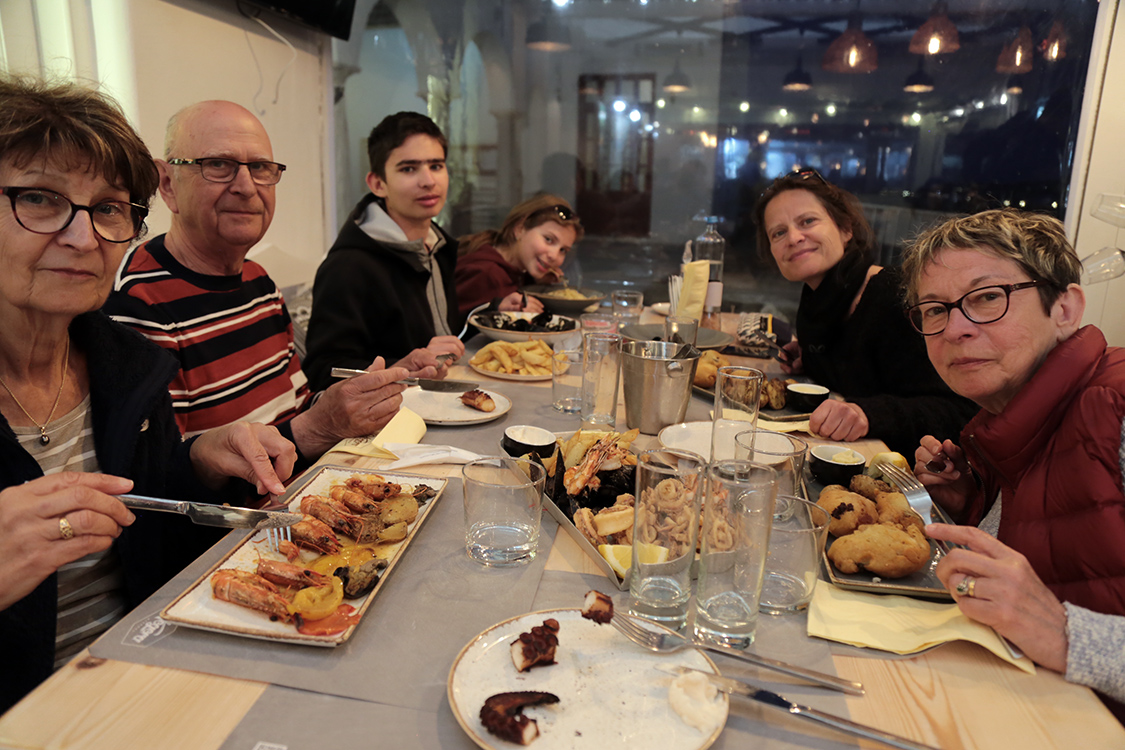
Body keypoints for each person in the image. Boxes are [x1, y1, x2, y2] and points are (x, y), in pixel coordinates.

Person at [0, 77, 297, 713]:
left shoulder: (126, 370)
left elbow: (159, 533)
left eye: (108, 208)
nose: (83, 239)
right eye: (40, 200)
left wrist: (202, 457)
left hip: (157, 678)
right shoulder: (146, 319)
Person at [901, 208, 1125, 718]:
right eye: (934, 309)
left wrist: (1066, 634)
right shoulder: (1005, 424)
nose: (954, 328)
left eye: (986, 298)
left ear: (1065, 309)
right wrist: (969, 506)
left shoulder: (1117, 408)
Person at [104, 101, 410, 463]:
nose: (247, 187)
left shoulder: (259, 282)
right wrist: (318, 426)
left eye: (261, 167)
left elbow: (295, 408)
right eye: (218, 165)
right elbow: (168, 481)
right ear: (167, 184)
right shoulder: (137, 305)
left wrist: (357, 396)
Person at [753, 168, 977, 456]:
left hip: (906, 477)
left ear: (846, 229)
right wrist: (810, 359)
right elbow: (852, 368)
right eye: (779, 232)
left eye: (807, 221)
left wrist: (868, 414)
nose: (794, 238)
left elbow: (958, 412)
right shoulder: (818, 299)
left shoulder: (891, 295)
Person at [302, 112, 465, 392]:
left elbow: (440, 338)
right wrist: (397, 368)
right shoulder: (347, 266)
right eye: (408, 169)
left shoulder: (438, 247)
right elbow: (322, 373)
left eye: (436, 165)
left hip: (442, 400)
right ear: (378, 183)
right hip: (390, 422)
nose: (428, 181)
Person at [455, 194, 583, 314]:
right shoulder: (486, 273)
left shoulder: (518, 272)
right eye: (548, 239)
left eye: (563, 250)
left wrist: (537, 284)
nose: (554, 256)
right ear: (519, 228)